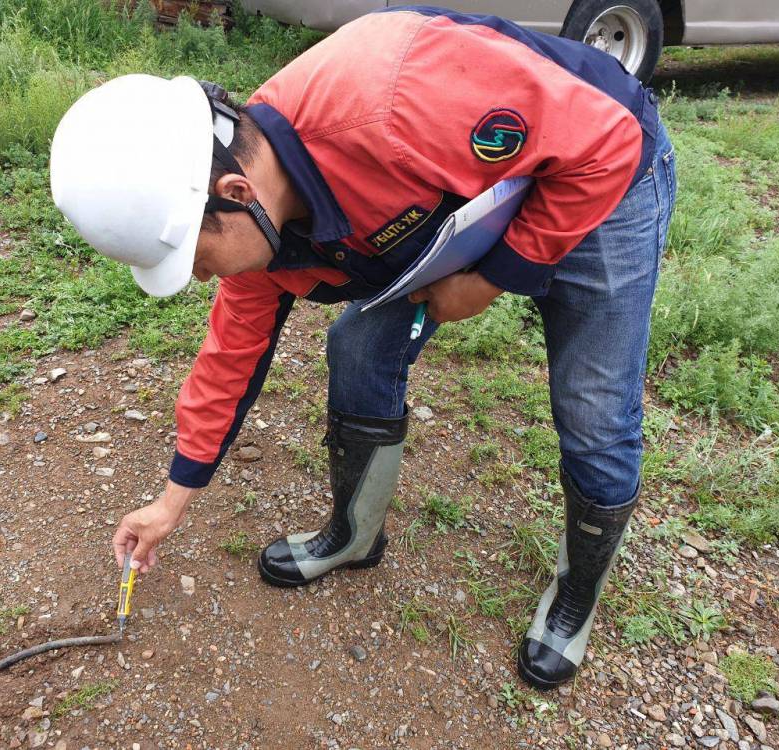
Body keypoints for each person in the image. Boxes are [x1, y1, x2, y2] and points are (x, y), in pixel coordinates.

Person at [49, 6, 677, 690]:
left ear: (234, 193)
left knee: (593, 410)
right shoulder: (262, 220)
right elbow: (230, 358)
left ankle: (576, 597)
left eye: (194, 256)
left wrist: (492, 280)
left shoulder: (394, 100)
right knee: (359, 346)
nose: (200, 276)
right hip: (461, 198)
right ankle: (353, 535)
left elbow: (601, 142)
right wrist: (171, 500)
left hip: (602, 172)